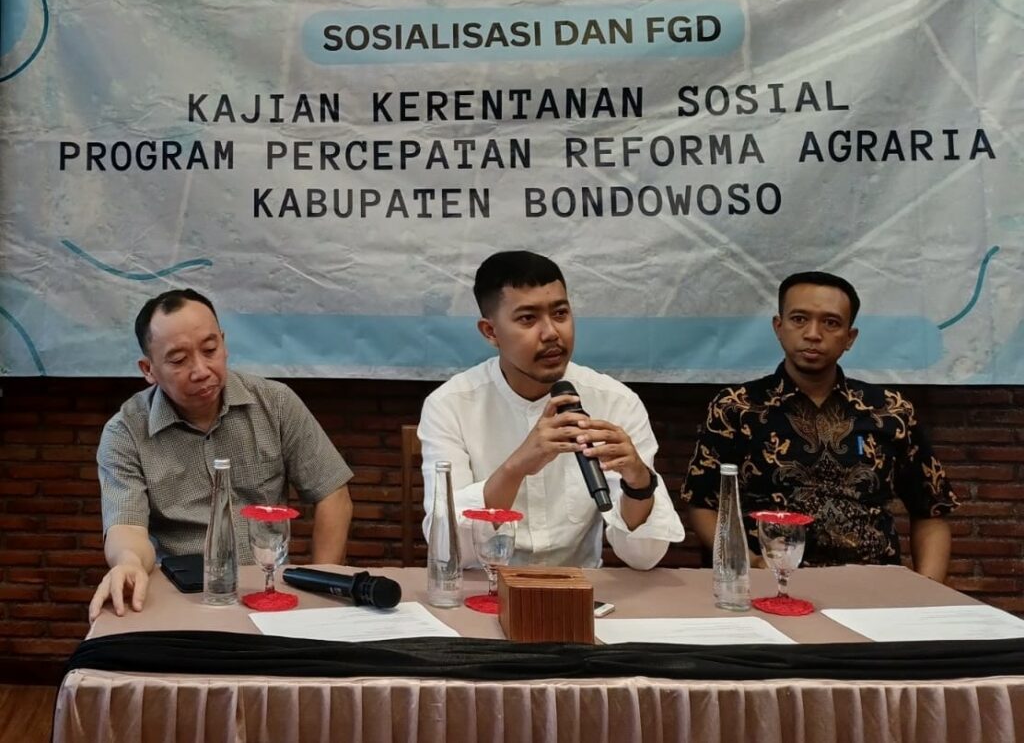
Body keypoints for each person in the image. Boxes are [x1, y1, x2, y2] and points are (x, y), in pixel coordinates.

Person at [90, 288, 354, 620]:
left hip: (267, 590)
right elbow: (126, 526)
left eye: (210, 350)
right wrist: (128, 561)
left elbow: (332, 494)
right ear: (149, 369)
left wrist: (323, 581)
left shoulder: (276, 404)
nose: (201, 370)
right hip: (179, 597)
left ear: (224, 345)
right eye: (179, 360)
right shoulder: (125, 433)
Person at [682, 271, 958, 580]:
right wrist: (749, 563)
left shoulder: (890, 411)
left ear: (850, 337)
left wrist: (927, 592)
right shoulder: (736, 408)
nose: (813, 334)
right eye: (799, 319)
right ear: (778, 327)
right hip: (766, 584)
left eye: (831, 323)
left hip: (871, 587)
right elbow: (703, 504)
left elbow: (932, 510)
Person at [419, 250, 684, 570]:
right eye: (527, 319)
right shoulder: (449, 405)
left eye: (560, 314)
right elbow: (449, 549)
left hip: (579, 587)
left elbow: (644, 557)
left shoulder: (616, 402)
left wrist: (638, 481)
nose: (551, 333)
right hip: (484, 586)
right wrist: (515, 467)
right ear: (490, 332)